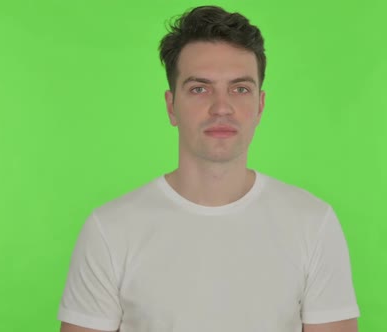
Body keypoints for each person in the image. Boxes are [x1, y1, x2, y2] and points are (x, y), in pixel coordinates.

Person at [57, 5, 360, 332]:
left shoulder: (313, 224)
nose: (221, 107)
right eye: (199, 89)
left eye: (240, 89)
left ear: (260, 106)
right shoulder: (109, 231)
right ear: (171, 106)